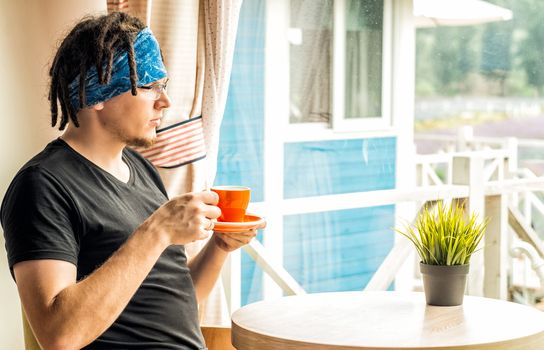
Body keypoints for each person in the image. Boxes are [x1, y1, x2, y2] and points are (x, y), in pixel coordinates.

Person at [1, 11, 258, 350]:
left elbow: (173, 303)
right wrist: (158, 230)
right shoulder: (42, 186)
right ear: (97, 96)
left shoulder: (141, 168)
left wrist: (218, 248)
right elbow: (59, 336)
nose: (165, 102)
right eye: (150, 87)